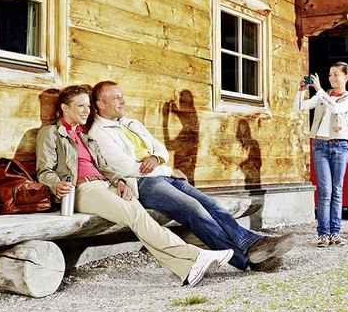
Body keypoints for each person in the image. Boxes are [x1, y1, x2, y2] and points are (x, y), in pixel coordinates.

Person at [36, 85, 233, 286]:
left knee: (141, 218)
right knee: (135, 216)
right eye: (80, 106)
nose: (87, 110)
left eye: (88, 105)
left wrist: (119, 182)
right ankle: (196, 255)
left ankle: (187, 270)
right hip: (81, 190)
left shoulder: (85, 136)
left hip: (105, 186)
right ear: (64, 108)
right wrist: (56, 184)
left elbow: (104, 167)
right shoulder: (51, 133)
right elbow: (44, 171)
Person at [87, 81, 294, 273]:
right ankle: (246, 257)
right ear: (100, 104)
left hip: (162, 175)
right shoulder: (99, 132)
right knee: (194, 209)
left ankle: (250, 245)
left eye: (121, 96)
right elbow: (127, 167)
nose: (122, 101)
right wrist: (165, 168)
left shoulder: (131, 124)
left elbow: (161, 149)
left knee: (211, 204)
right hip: (144, 184)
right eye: (115, 98)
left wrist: (156, 158)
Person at [294, 62, 348, 247]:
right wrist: (300, 91)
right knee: (324, 191)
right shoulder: (323, 95)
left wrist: (320, 89)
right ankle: (323, 234)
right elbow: (299, 107)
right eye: (330, 75)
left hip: (340, 145)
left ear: (346, 76)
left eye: (336, 74)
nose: (332, 78)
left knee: (337, 191)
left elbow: (337, 109)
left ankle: (335, 233)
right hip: (320, 145)